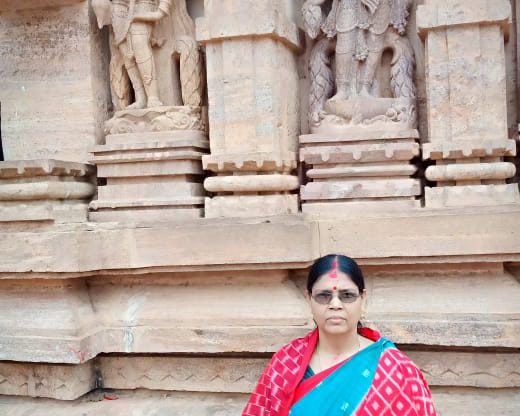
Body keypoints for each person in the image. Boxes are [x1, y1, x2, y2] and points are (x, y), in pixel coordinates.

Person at [243, 254, 437, 416]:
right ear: (309, 299)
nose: (335, 304)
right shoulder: (286, 363)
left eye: (347, 295)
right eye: (324, 296)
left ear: (363, 299)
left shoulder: (396, 370)